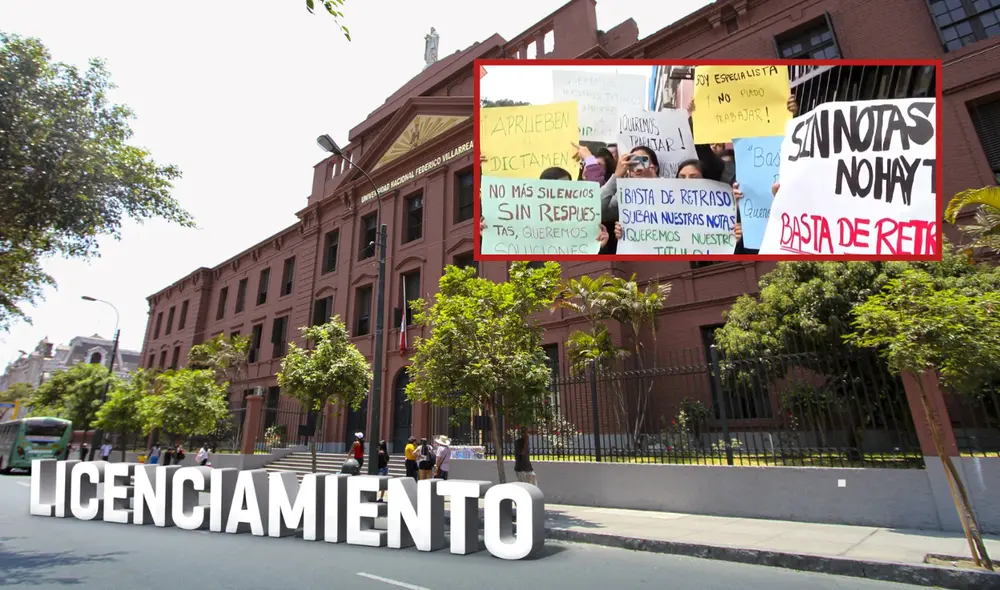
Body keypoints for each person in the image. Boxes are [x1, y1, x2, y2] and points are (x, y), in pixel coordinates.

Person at [613, 158, 743, 245]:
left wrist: (734, 237)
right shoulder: (660, 209)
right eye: (682, 177)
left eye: (694, 177)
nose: (686, 181)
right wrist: (627, 232)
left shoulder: (722, 210)